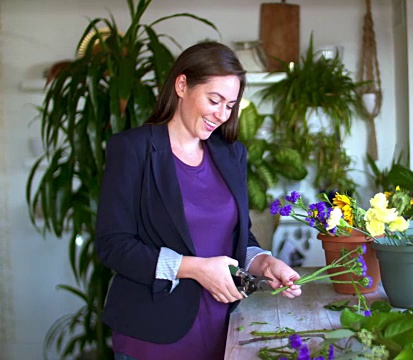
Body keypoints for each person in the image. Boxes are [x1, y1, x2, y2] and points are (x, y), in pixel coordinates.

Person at [95, 41, 302, 360]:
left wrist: (264, 262)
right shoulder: (134, 149)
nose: (221, 114)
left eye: (230, 105)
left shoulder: (232, 154)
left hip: (223, 330)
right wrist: (194, 269)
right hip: (152, 337)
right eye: (214, 99)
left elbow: (237, 237)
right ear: (182, 85)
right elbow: (113, 245)